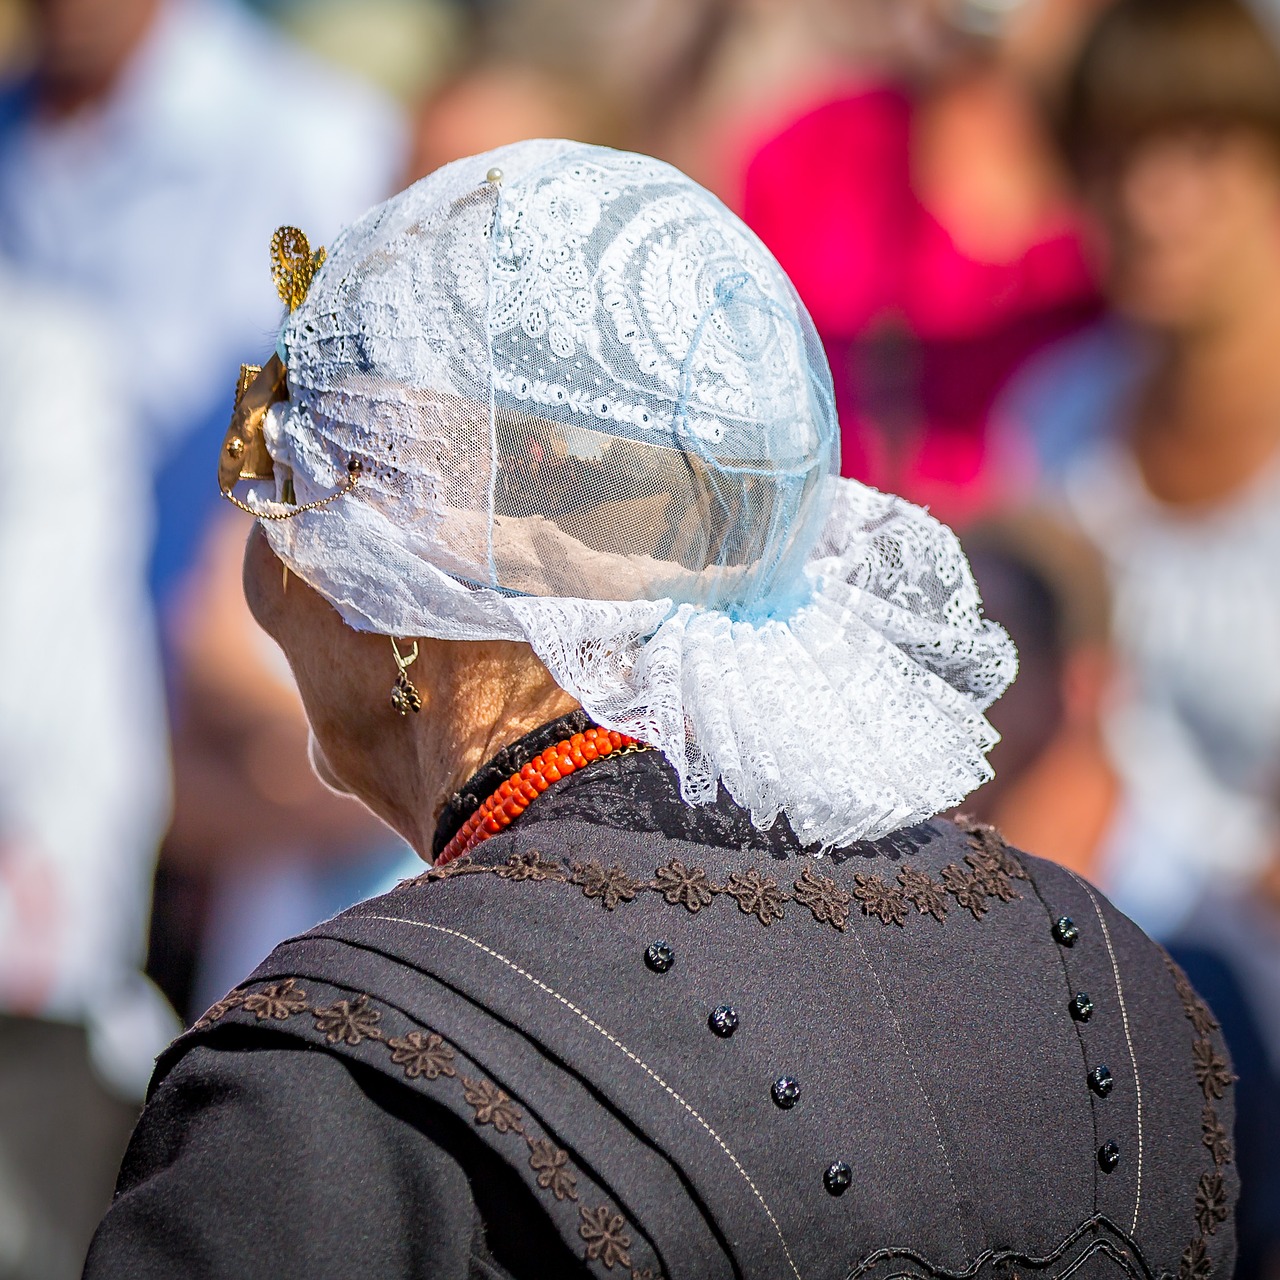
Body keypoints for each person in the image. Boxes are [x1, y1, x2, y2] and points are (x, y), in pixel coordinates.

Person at [85, 141, 1235, 1280]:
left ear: (403, 564)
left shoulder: (334, 1095)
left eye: (284, 480)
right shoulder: (1112, 993)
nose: (270, 565)